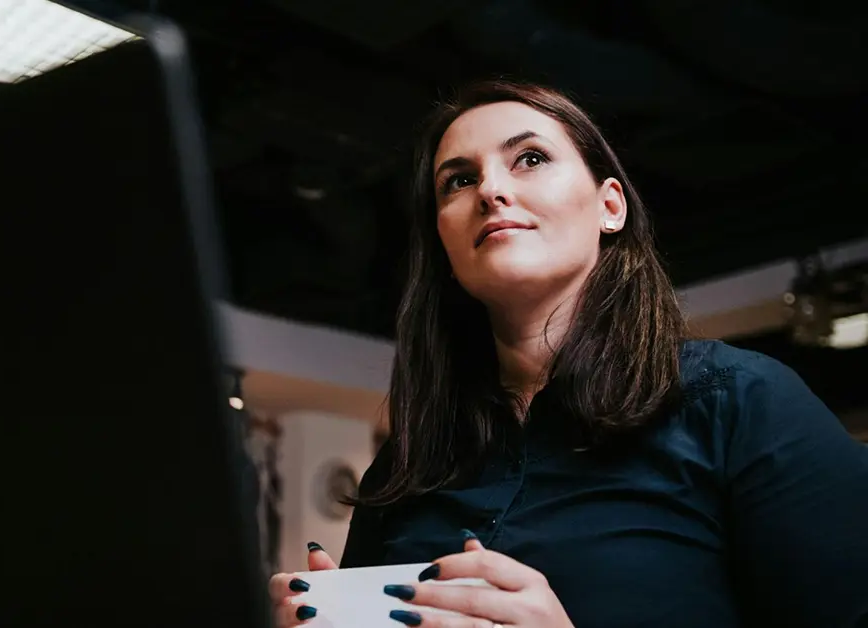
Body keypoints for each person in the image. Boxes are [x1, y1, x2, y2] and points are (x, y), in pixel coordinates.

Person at [267, 80, 868, 628]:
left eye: (530, 159)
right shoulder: (408, 462)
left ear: (610, 207)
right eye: (459, 181)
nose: (491, 190)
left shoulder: (742, 402)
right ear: (443, 244)